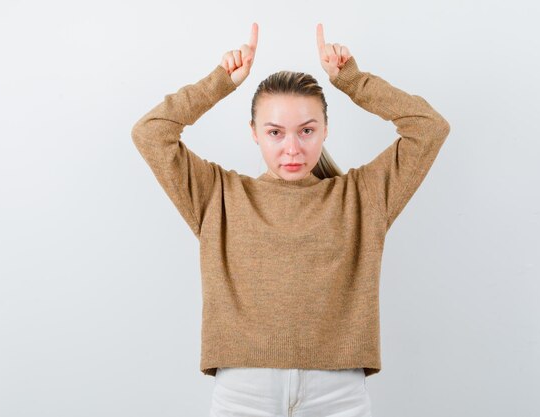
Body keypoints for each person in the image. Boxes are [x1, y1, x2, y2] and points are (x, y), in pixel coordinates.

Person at [131, 22, 450, 417]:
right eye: (276, 132)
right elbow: (150, 133)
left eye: (307, 130)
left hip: (338, 393)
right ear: (254, 133)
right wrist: (219, 83)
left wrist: (353, 81)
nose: (292, 148)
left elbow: (429, 128)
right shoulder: (219, 195)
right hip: (243, 391)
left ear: (326, 130)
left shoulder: (362, 197)